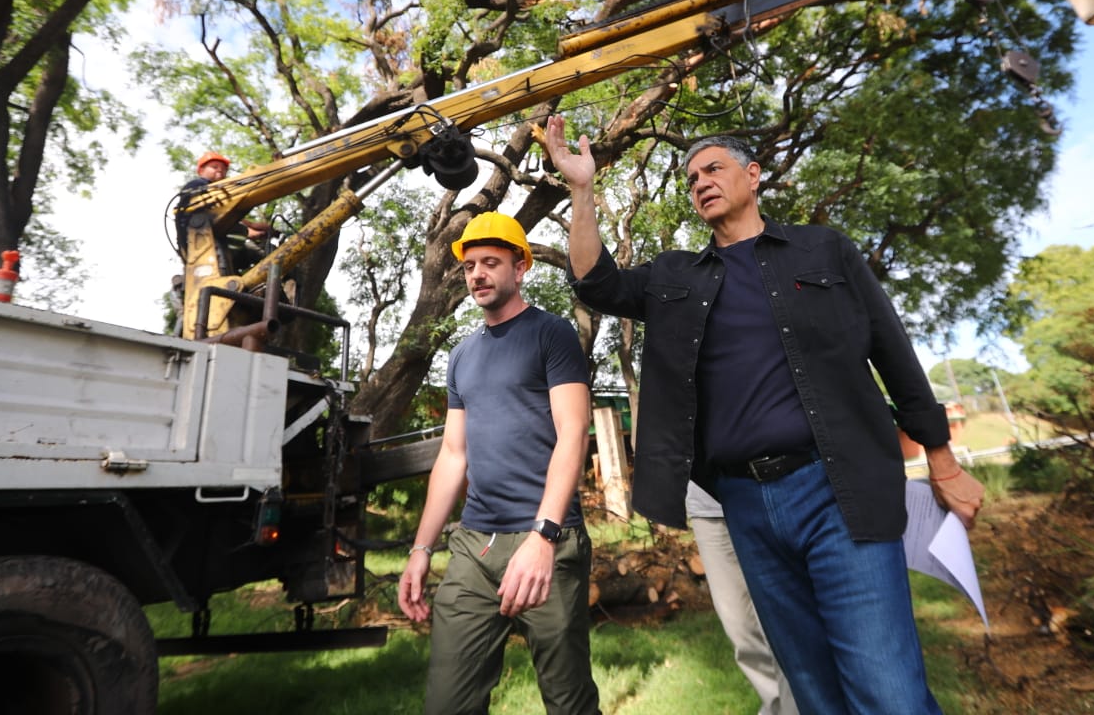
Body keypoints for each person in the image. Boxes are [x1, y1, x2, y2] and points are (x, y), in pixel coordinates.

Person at [544, 116, 984, 715]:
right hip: (745, 505)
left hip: (836, 490)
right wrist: (582, 188)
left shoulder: (823, 250)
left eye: (714, 169)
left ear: (753, 176)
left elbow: (893, 351)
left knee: (888, 692)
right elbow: (596, 284)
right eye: (691, 178)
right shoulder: (675, 277)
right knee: (814, 692)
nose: (700, 182)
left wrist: (942, 460)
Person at [398, 211, 601, 715]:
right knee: (447, 704)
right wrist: (421, 549)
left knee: (569, 704)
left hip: (547, 540)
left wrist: (543, 537)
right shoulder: (462, 355)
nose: (478, 275)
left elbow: (573, 433)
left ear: (520, 267)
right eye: (470, 266)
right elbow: (453, 454)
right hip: (475, 546)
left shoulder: (552, 334)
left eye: (490, 263)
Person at [686, 481, 798, 715]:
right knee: (741, 630)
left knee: (784, 633)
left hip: (762, 491)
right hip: (706, 504)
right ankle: (778, 707)